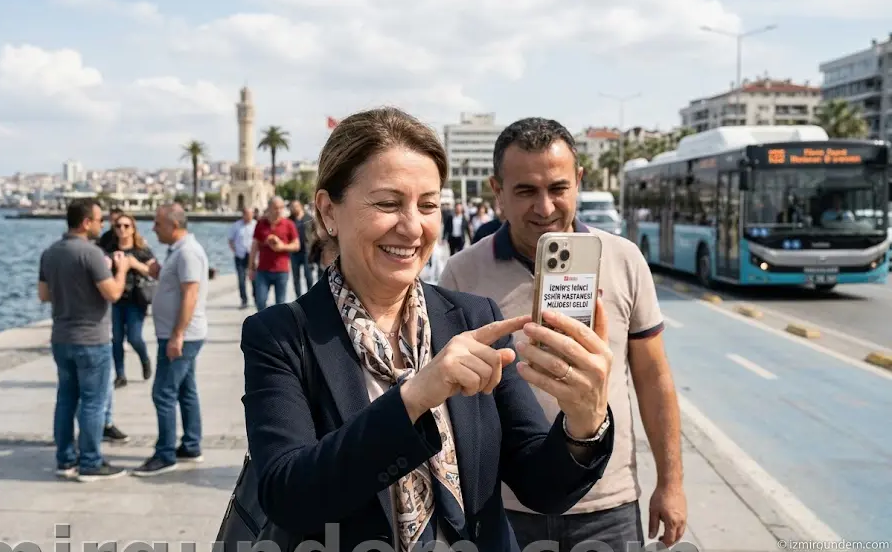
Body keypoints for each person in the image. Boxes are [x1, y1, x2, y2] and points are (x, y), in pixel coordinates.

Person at [240, 107, 615, 552]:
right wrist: (417, 396)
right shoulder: (281, 337)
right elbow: (288, 495)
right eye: (387, 203)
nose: (413, 226)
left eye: (429, 204)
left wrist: (584, 421)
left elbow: (542, 487)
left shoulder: (474, 318)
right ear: (329, 212)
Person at [440, 117, 687, 550]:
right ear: (497, 191)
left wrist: (671, 482)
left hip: (607, 507)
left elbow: (653, 377)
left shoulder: (623, 259)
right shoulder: (463, 273)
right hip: (509, 508)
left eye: (557, 188)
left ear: (578, 181)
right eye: (525, 191)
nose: (545, 207)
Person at [38, 198, 129, 482]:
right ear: (86, 222)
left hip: (61, 336)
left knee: (66, 398)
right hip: (91, 338)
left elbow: (44, 295)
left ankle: (65, 459)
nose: (102, 225)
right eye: (100, 220)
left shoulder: (50, 252)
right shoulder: (91, 254)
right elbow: (113, 293)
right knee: (93, 401)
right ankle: (90, 461)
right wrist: (122, 270)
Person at [133, 203, 209, 476]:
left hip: (182, 336)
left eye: (157, 223)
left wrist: (177, 335)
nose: (153, 228)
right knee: (186, 390)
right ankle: (190, 444)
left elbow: (190, 295)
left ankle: (165, 454)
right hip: (181, 334)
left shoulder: (188, 252)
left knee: (163, 392)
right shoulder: (179, 252)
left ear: (173, 225)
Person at [105, 211, 157, 388]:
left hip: (137, 299)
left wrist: (134, 264)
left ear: (133, 229)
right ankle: (120, 375)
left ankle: (144, 358)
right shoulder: (110, 249)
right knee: (117, 338)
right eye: (118, 226)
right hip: (117, 299)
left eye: (126, 226)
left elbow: (154, 271)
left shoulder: (142, 250)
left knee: (134, 337)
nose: (122, 229)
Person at [248, 196, 300, 310]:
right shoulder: (260, 224)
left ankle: (276, 327)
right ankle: (263, 325)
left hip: (281, 271)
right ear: (269, 208)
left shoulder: (289, 224)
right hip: (263, 270)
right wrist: (251, 268)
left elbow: (296, 245)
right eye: (276, 208)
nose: (279, 210)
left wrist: (282, 246)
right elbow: (254, 247)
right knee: (260, 301)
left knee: (280, 305)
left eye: (281, 208)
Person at [227, 207, 257, 309]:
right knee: (241, 279)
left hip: (252, 256)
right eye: (247, 214)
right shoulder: (236, 226)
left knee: (254, 279)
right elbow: (230, 240)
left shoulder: (255, 225)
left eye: (251, 214)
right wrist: (235, 250)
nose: (249, 216)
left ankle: (256, 297)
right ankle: (244, 300)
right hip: (240, 256)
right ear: (243, 214)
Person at [288, 200, 315, 295]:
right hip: (294, 252)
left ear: (300, 206)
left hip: (306, 251)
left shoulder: (309, 218)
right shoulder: (289, 220)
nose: (294, 208)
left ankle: (310, 296)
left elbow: (314, 233)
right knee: (296, 277)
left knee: (308, 275)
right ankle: (298, 297)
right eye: (292, 207)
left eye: (296, 206)